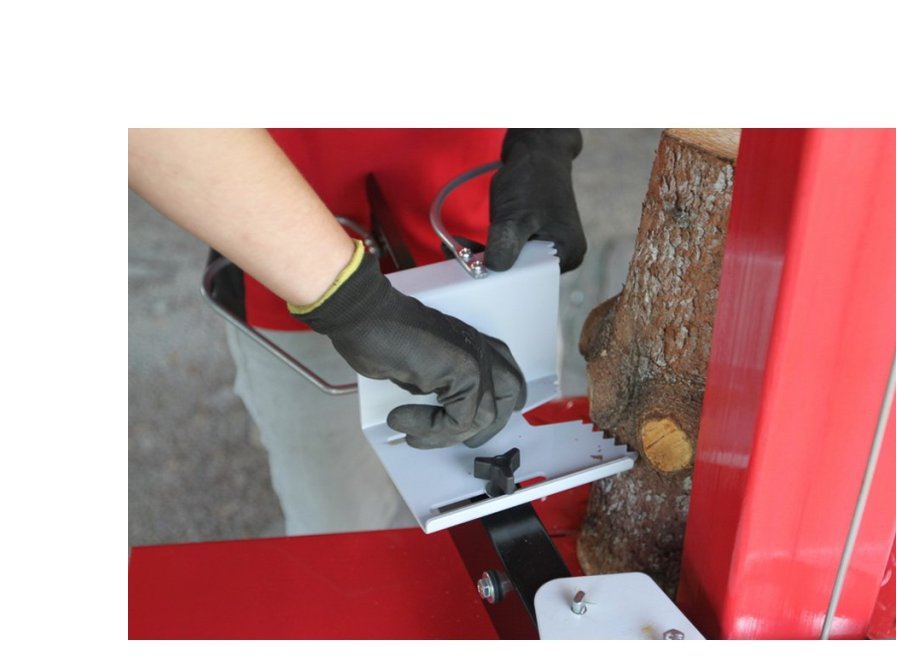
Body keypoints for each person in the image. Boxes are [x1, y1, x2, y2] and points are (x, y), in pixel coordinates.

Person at [128, 128, 586, 535]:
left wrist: (543, 135)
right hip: (277, 240)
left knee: (521, 488)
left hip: (480, 224)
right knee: (337, 517)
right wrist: (352, 302)